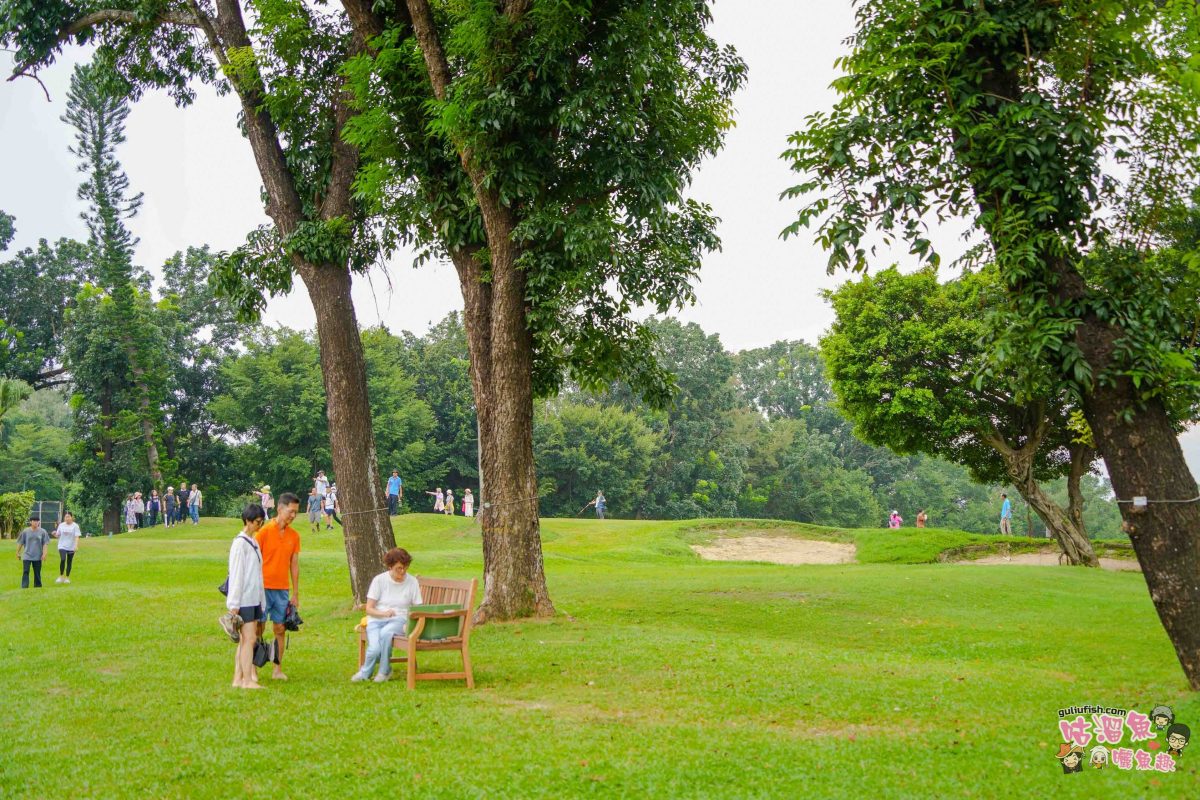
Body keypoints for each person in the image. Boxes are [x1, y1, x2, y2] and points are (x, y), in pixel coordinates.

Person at [352, 547, 422, 683]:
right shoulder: (379, 580)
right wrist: (383, 613)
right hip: (376, 619)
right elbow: (369, 609)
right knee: (374, 649)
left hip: (399, 620)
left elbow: (418, 607)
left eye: (405, 568)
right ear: (390, 567)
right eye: (399, 568)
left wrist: (411, 622)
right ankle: (365, 674)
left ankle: (384, 671)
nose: (403, 572)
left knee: (386, 633)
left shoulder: (412, 581)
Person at [255, 492, 302, 681]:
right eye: (291, 511)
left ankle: (277, 669)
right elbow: (254, 560)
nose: (293, 516)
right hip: (262, 588)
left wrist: (296, 592)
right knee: (258, 628)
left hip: (282, 589)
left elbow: (294, 564)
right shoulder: (264, 532)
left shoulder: (294, 536)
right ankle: (253, 669)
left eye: (296, 513)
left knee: (280, 628)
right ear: (280, 509)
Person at [223, 503, 266, 689]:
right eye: (257, 522)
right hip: (244, 600)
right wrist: (233, 605)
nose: (259, 525)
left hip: (254, 598)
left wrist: (262, 601)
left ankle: (238, 678)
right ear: (247, 521)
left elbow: (257, 574)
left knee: (246, 640)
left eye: (262, 522)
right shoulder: (240, 544)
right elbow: (236, 574)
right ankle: (247, 680)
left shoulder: (253, 542)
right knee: (249, 639)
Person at [16, 515, 49, 589]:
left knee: (37, 573)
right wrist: (17, 552)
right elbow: (21, 542)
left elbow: (45, 544)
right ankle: (24, 586)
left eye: (37, 521)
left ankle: (38, 586)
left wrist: (44, 554)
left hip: (38, 556)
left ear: (39, 522)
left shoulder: (43, 531)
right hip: (27, 555)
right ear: (30, 522)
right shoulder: (25, 531)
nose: (35, 522)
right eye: (34, 521)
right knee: (26, 571)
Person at [53, 511, 81, 584]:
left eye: (68, 516)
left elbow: (77, 536)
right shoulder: (61, 525)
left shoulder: (75, 526)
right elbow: (57, 535)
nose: (67, 518)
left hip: (71, 546)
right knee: (63, 559)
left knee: (69, 561)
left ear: (72, 517)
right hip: (62, 545)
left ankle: (67, 578)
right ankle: (61, 576)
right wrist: (54, 534)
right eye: (66, 517)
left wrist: (76, 546)